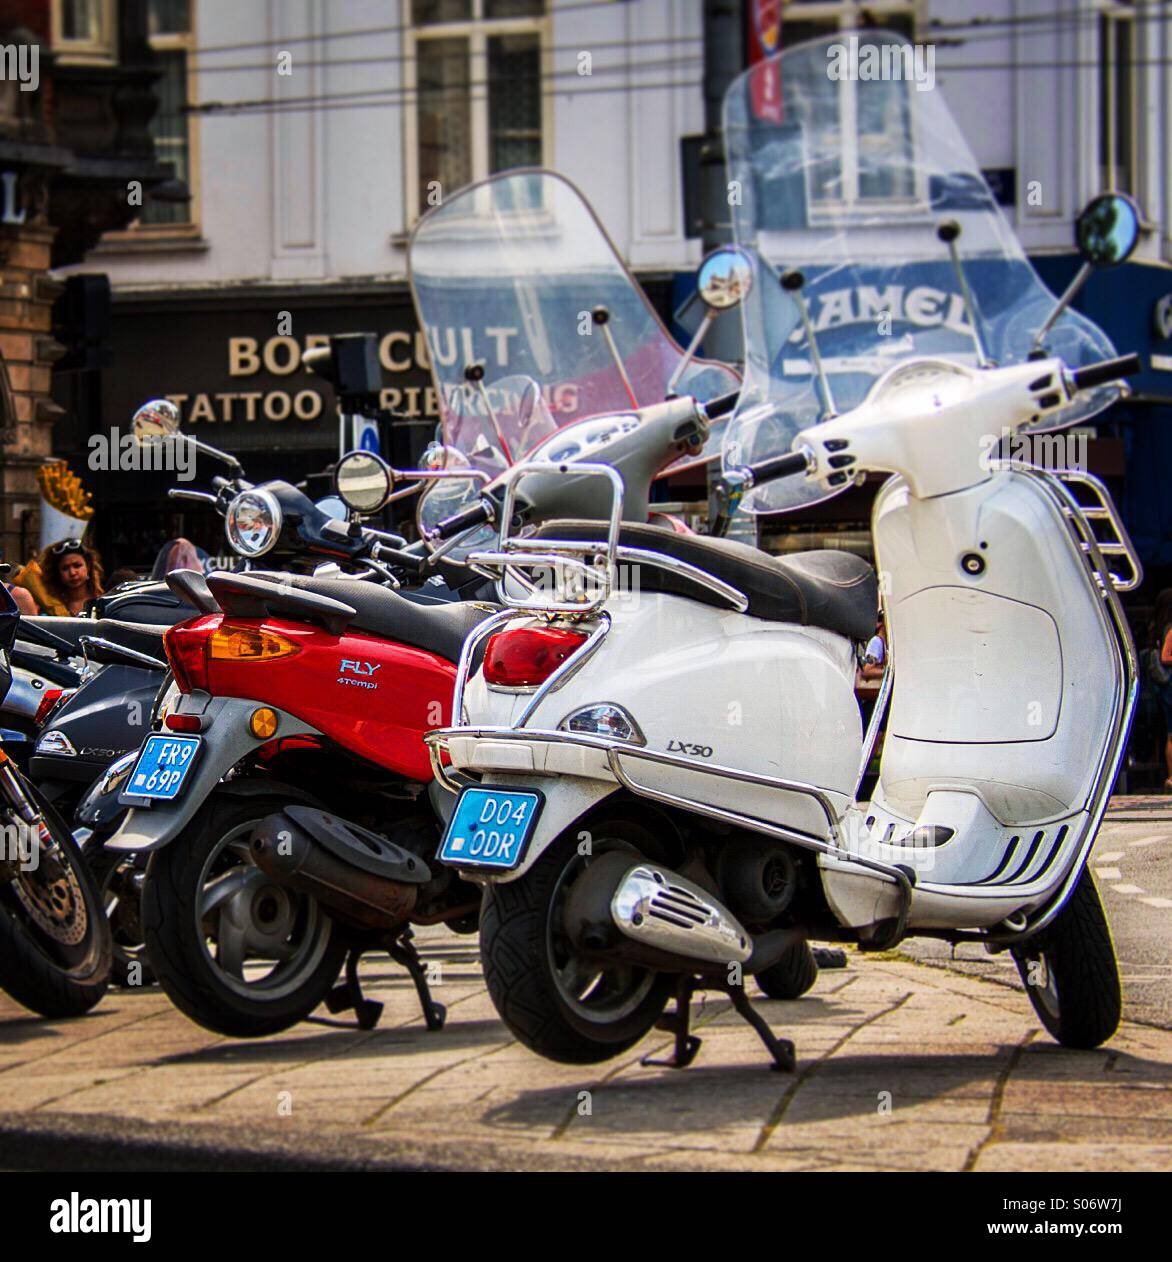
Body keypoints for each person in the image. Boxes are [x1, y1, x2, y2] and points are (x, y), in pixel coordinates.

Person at [11, 538, 105, 616]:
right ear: (57, 572)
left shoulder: (102, 601)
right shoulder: (49, 603)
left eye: (77, 566)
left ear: (88, 566)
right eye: (65, 568)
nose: (72, 573)